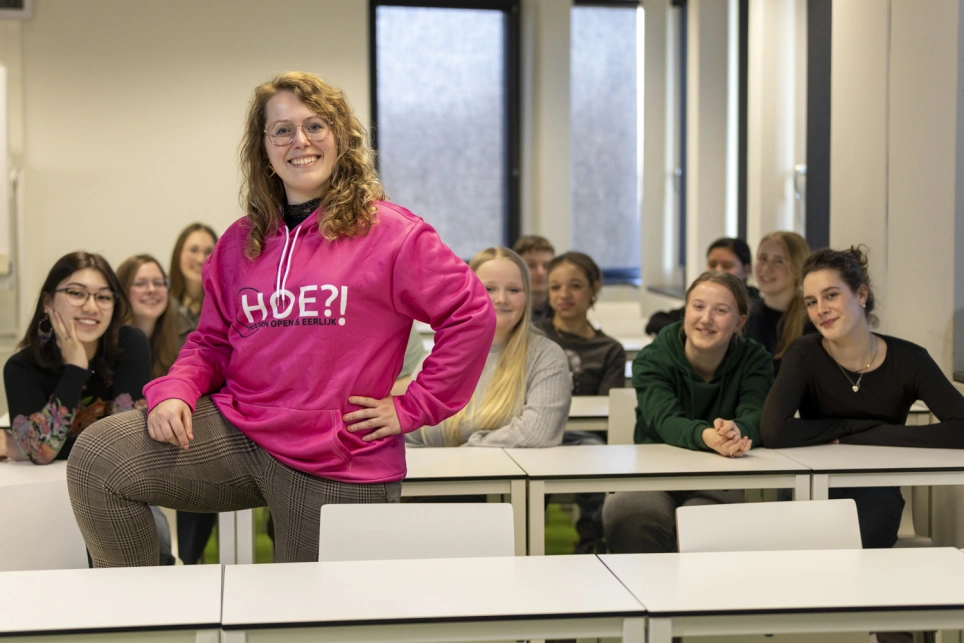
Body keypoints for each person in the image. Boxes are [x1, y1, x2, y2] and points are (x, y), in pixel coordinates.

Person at [66, 71, 496, 567]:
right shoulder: (237, 242)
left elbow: (471, 314)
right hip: (239, 430)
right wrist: (178, 388)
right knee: (98, 460)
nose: (300, 141)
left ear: (340, 138)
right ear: (263, 146)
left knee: (308, 619)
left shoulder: (393, 234)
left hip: (341, 453)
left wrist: (412, 407)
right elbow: (211, 342)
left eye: (315, 126)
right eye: (282, 130)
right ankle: (143, 623)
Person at [760, 246, 964, 548]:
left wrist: (871, 436)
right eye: (811, 302)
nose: (820, 310)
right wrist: (850, 427)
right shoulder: (803, 354)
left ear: (861, 295)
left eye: (831, 295)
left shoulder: (910, 359)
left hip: (876, 489)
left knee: (866, 532)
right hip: (814, 485)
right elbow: (774, 430)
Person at [2, 252, 174, 565]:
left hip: (122, 495)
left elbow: (124, 446)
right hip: (46, 503)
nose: (92, 307)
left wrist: (29, 445)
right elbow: (42, 451)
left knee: (159, 548)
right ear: (47, 302)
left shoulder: (130, 345)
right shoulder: (20, 368)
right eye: (76, 293)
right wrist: (76, 367)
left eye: (103, 296)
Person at [602, 271, 773, 553]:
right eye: (698, 307)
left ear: (740, 321)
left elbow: (756, 415)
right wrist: (708, 436)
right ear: (684, 311)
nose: (706, 319)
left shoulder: (755, 360)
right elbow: (665, 419)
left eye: (720, 310)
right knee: (631, 517)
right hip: (653, 474)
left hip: (724, 477)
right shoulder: (652, 359)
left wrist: (736, 431)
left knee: (708, 523)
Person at [406, 247, 570, 448]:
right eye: (489, 288)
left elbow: (537, 432)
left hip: (506, 477)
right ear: (469, 294)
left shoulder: (547, 357)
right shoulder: (441, 355)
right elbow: (408, 432)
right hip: (438, 476)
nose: (501, 299)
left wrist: (465, 452)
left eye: (513, 290)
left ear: (527, 297)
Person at [537, 251, 623, 551]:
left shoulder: (610, 348)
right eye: (555, 287)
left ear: (594, 288)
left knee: (597, 462)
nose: (564, 295)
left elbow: (607, 409)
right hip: (537, 435)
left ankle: (593, 549)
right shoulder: (534, 337)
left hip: (585, 439)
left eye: (574, 286)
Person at [646, 237, 759, 336]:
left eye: (727, 265)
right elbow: (656, 321)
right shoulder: (704, 298)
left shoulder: (757, 308)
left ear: (746, 269)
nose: (718, 270)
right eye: (712, 264)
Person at [744, 231, 811, 373]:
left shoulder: (812, 320)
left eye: (779, 261)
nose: (766, 268)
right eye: (762, 258)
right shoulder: (746, 315)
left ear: (797, 267)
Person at [169, 223, 218, 343]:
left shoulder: (224, 305)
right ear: (178, 254)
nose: (200, 259)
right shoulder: (161, 301)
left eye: (208, 251)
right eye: (193, 250)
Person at [512, 235, 555, 322]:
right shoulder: (507, 307)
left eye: (546, 266)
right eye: (531, 265)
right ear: (516, 267)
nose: (540, 272)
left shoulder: (564, 308)